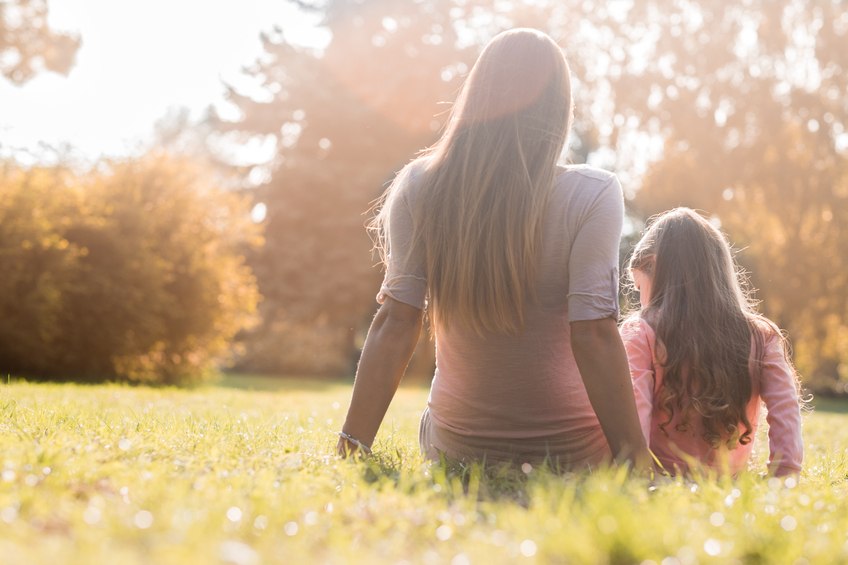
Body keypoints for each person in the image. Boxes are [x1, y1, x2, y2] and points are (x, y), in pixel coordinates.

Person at [336, 28, 649, 470]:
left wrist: (352, 444)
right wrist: (635, 456)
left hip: (456, 449)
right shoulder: (593, 193)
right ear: (560, 107)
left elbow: (397, 321)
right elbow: (594, 333)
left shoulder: (419, 185)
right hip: (574, 454)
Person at [620, 208, 804, 477]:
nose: (641, 301)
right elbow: (785, 409)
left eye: (639, 287)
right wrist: (785, 473)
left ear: (653, 265)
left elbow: (633, 413)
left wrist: (639, 476)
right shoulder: (761, 335)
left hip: (661, 480)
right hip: (729, 480)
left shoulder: (641, 332)